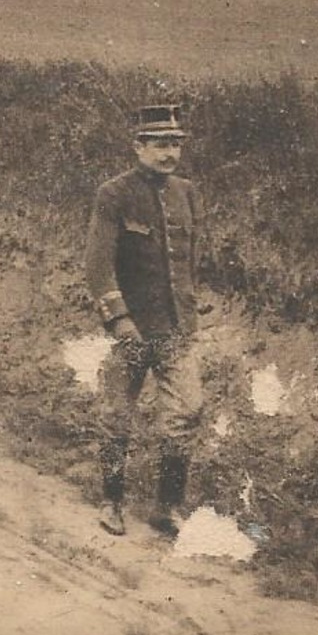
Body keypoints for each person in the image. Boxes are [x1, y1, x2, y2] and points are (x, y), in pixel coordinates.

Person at [84, 103, 206, 539]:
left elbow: (188, 262)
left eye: (175, 144)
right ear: (139, 147)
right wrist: (119, 322)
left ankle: (166, 507)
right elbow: (98, 266)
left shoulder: (187, 192)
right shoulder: (114, 194)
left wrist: (190, 314)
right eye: (160, 144)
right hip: (131, 330)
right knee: (118, 416)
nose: (169, 153)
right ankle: (111, 501)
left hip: (175, 330)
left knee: (187, 410)